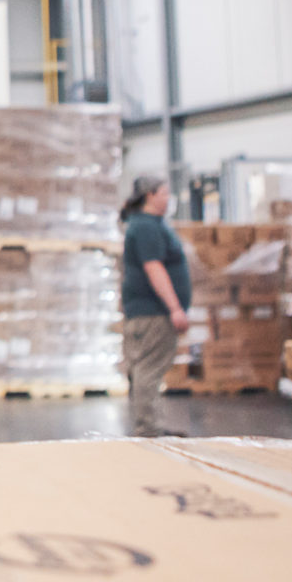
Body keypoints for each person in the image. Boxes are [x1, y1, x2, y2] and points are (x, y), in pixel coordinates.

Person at [118, 175, 190, 437]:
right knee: (148, 369)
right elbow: (154, 268)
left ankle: (151, 425)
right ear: (149, 195)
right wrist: (175, 308)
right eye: (163, 193)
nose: (168, 198)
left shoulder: (142, 225)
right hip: (153, 311)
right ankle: (148, 429)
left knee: (145, 369)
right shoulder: (147, 227)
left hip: (146, 311)